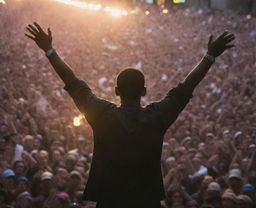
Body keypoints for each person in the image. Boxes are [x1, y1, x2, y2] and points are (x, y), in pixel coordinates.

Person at [25, 22, 235, 208]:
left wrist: (50, 50)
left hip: (110, 200)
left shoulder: (102, 115)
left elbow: (73, 82)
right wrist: (210, 56)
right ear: (144, 91)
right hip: (147, 201)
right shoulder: (156, 117)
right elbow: (186, 87)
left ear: (116, 91)